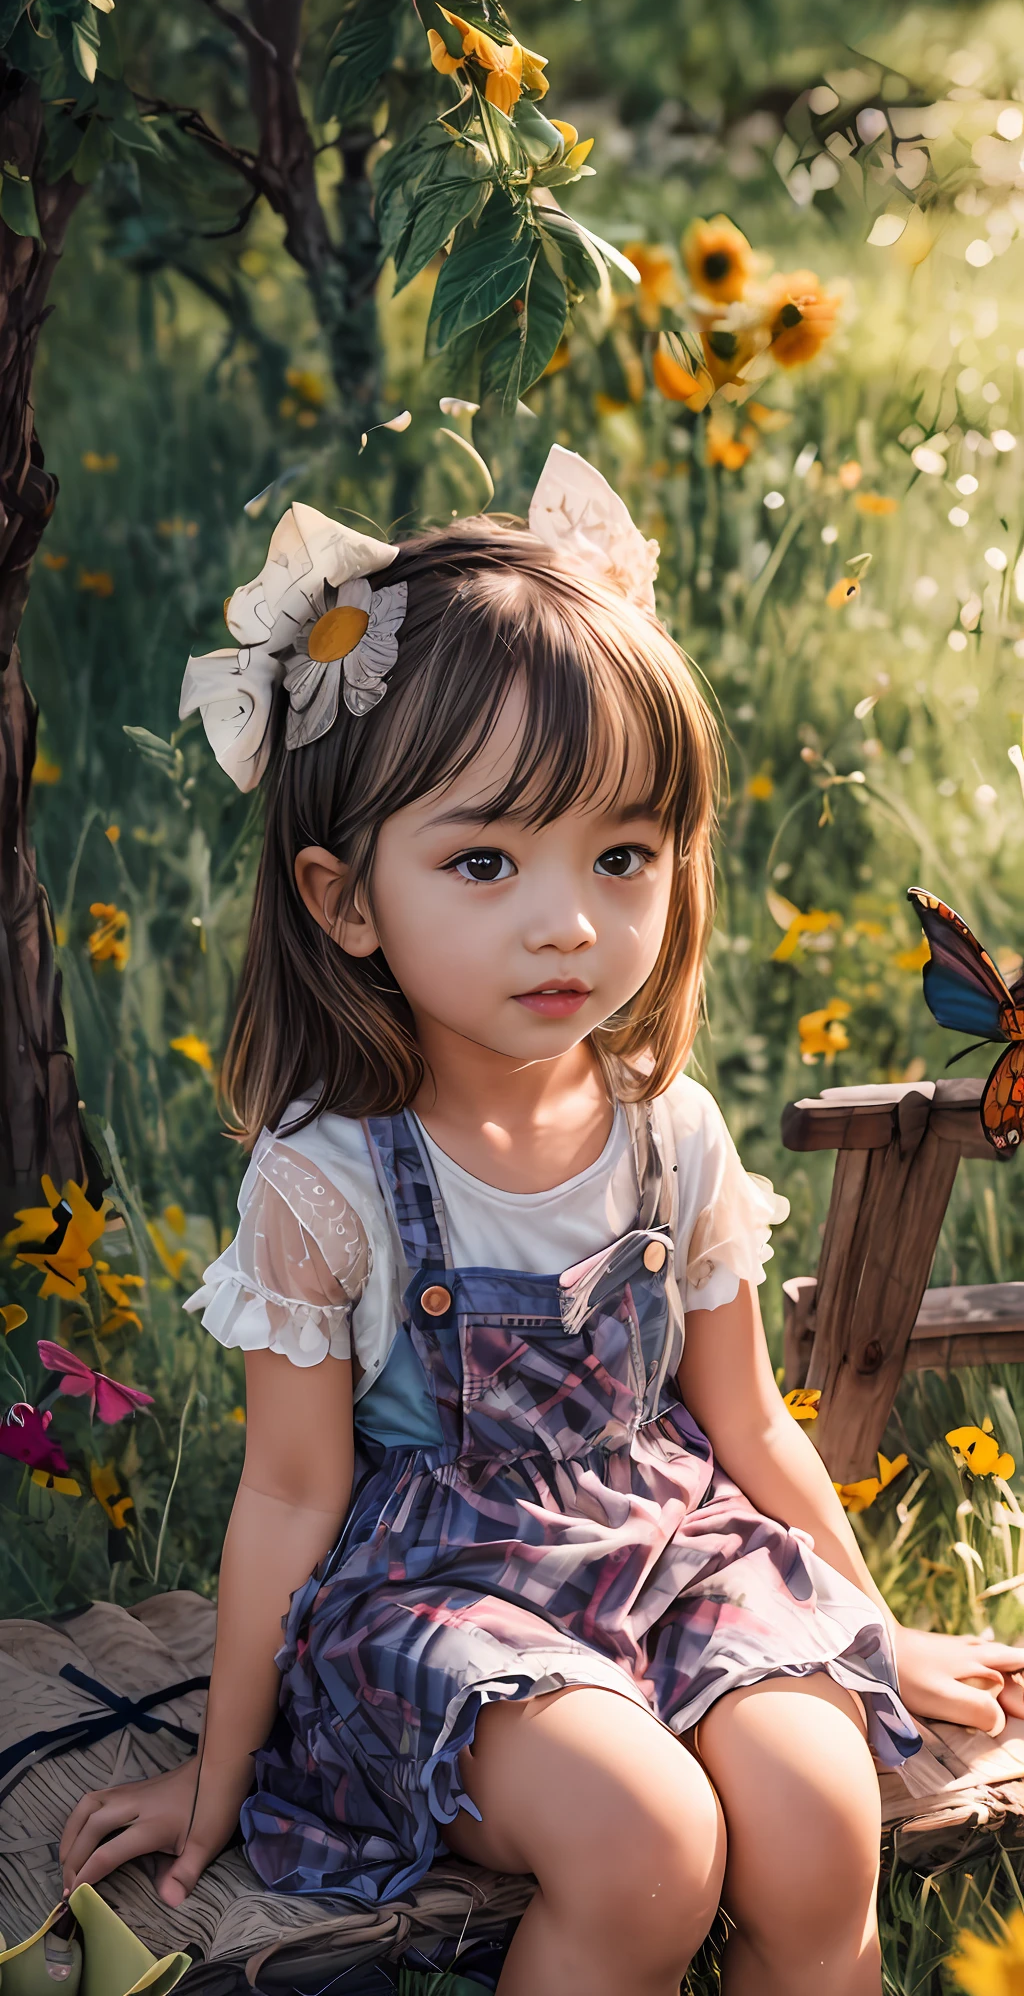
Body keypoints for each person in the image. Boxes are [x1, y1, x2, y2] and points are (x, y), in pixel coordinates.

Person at [60, 450, 1024, 1996]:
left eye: (622, 855)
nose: (568, 919)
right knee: (646, 1853)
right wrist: (217, 1772)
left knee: (822, 1818)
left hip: (671, 1552)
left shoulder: (670, 1132)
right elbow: (290, 1499)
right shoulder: (334, 1179)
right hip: (440, 1600)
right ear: (346, 898)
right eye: (488, 861)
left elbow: (752, 1432)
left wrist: (875, 1637)